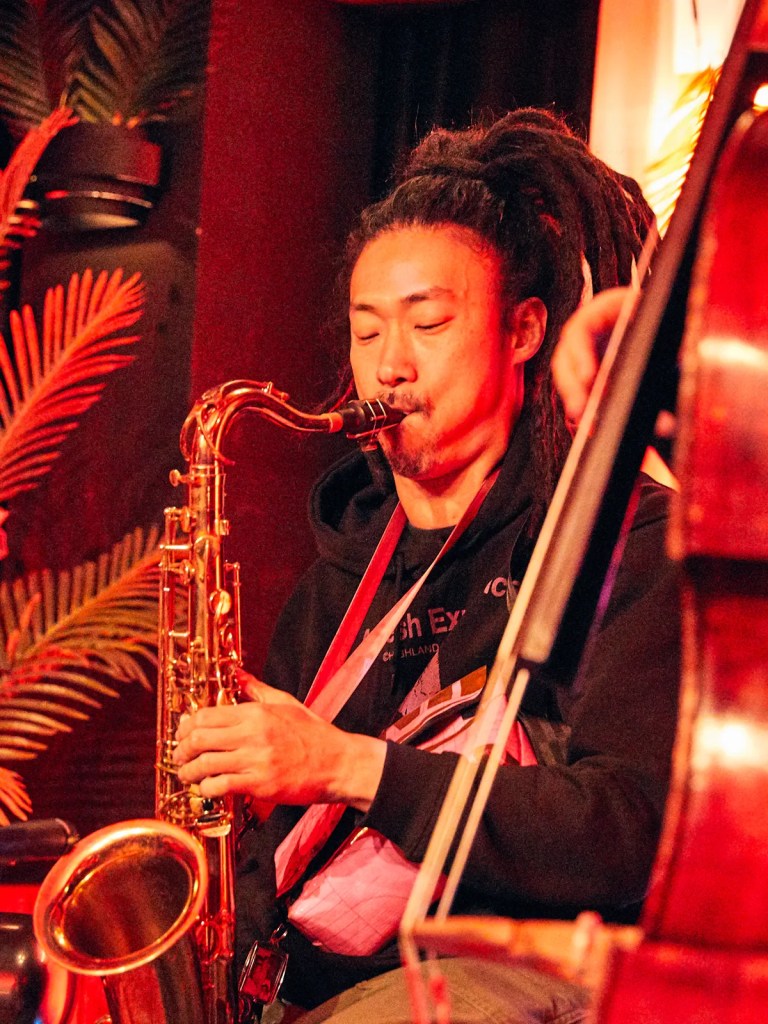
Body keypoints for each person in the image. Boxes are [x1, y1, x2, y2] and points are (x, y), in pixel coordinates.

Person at [173, 109, 681, 1023]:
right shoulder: (344, 566)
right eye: (368, 333)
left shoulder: (623, 539)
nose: (390, 367)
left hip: (527, 972)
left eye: (429, 323)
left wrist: (349, 766)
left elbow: (626, 831)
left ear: (524, 331)